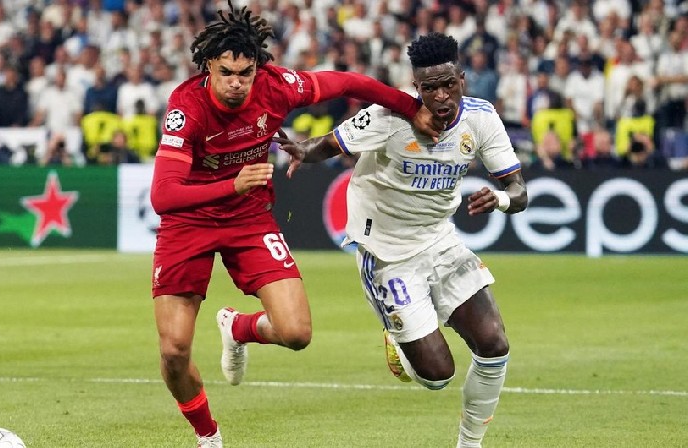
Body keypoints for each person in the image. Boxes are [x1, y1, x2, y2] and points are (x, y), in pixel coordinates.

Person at [149, 2, 438, 447]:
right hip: (189, 224)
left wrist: (410, 107)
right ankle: (208, 436)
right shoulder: (186, 107)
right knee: (173, 351)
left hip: (248, 219)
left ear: (257, 68)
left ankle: (238, 328)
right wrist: (232, 185)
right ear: (207, 66)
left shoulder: (277, 86)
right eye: (226, 73)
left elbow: (350, 82)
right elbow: (163, 196)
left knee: (297, 333)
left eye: (245, 73)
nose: (236, 83)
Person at [274, 32, 528, 448]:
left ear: (462, 79)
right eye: (430, 87)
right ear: (416, 87)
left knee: (494, 344)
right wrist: (303, 151)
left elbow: (519, 192)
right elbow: (332, 144)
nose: (442, 96)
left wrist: (500, 199)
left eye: (449, 84)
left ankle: (470, 444)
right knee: (437, 376)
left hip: (440, 240)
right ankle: (398, 338)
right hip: (387, 253)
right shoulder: (388, 117)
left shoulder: (481, 118)